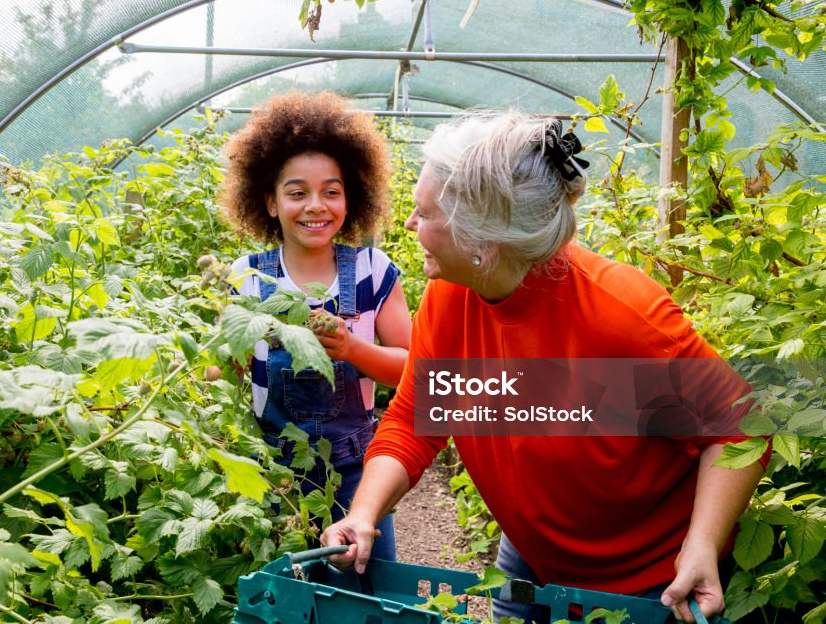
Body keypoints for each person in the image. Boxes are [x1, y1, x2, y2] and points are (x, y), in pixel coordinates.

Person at [320, 110, 767, 623]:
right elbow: (415, 420)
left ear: (483, 243)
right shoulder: (450, 298)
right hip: (531, 559)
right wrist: (363, 514)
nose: (409, 224)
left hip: (646, 584)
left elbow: (740, 430)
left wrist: (702, 546)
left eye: (424, 214)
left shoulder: (621, 319)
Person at [221, 91, 412, 560]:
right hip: (272, 472)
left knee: (366, 584)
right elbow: (221, 376)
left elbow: (413, 369)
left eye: (331, 191)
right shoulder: (248, 277)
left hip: (354, 472)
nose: (315, 206)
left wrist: (352, 350)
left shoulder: (373, 271)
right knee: (287, 591)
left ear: (351, 198)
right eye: (297, 192)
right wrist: (228, 360)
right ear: (269, 202)